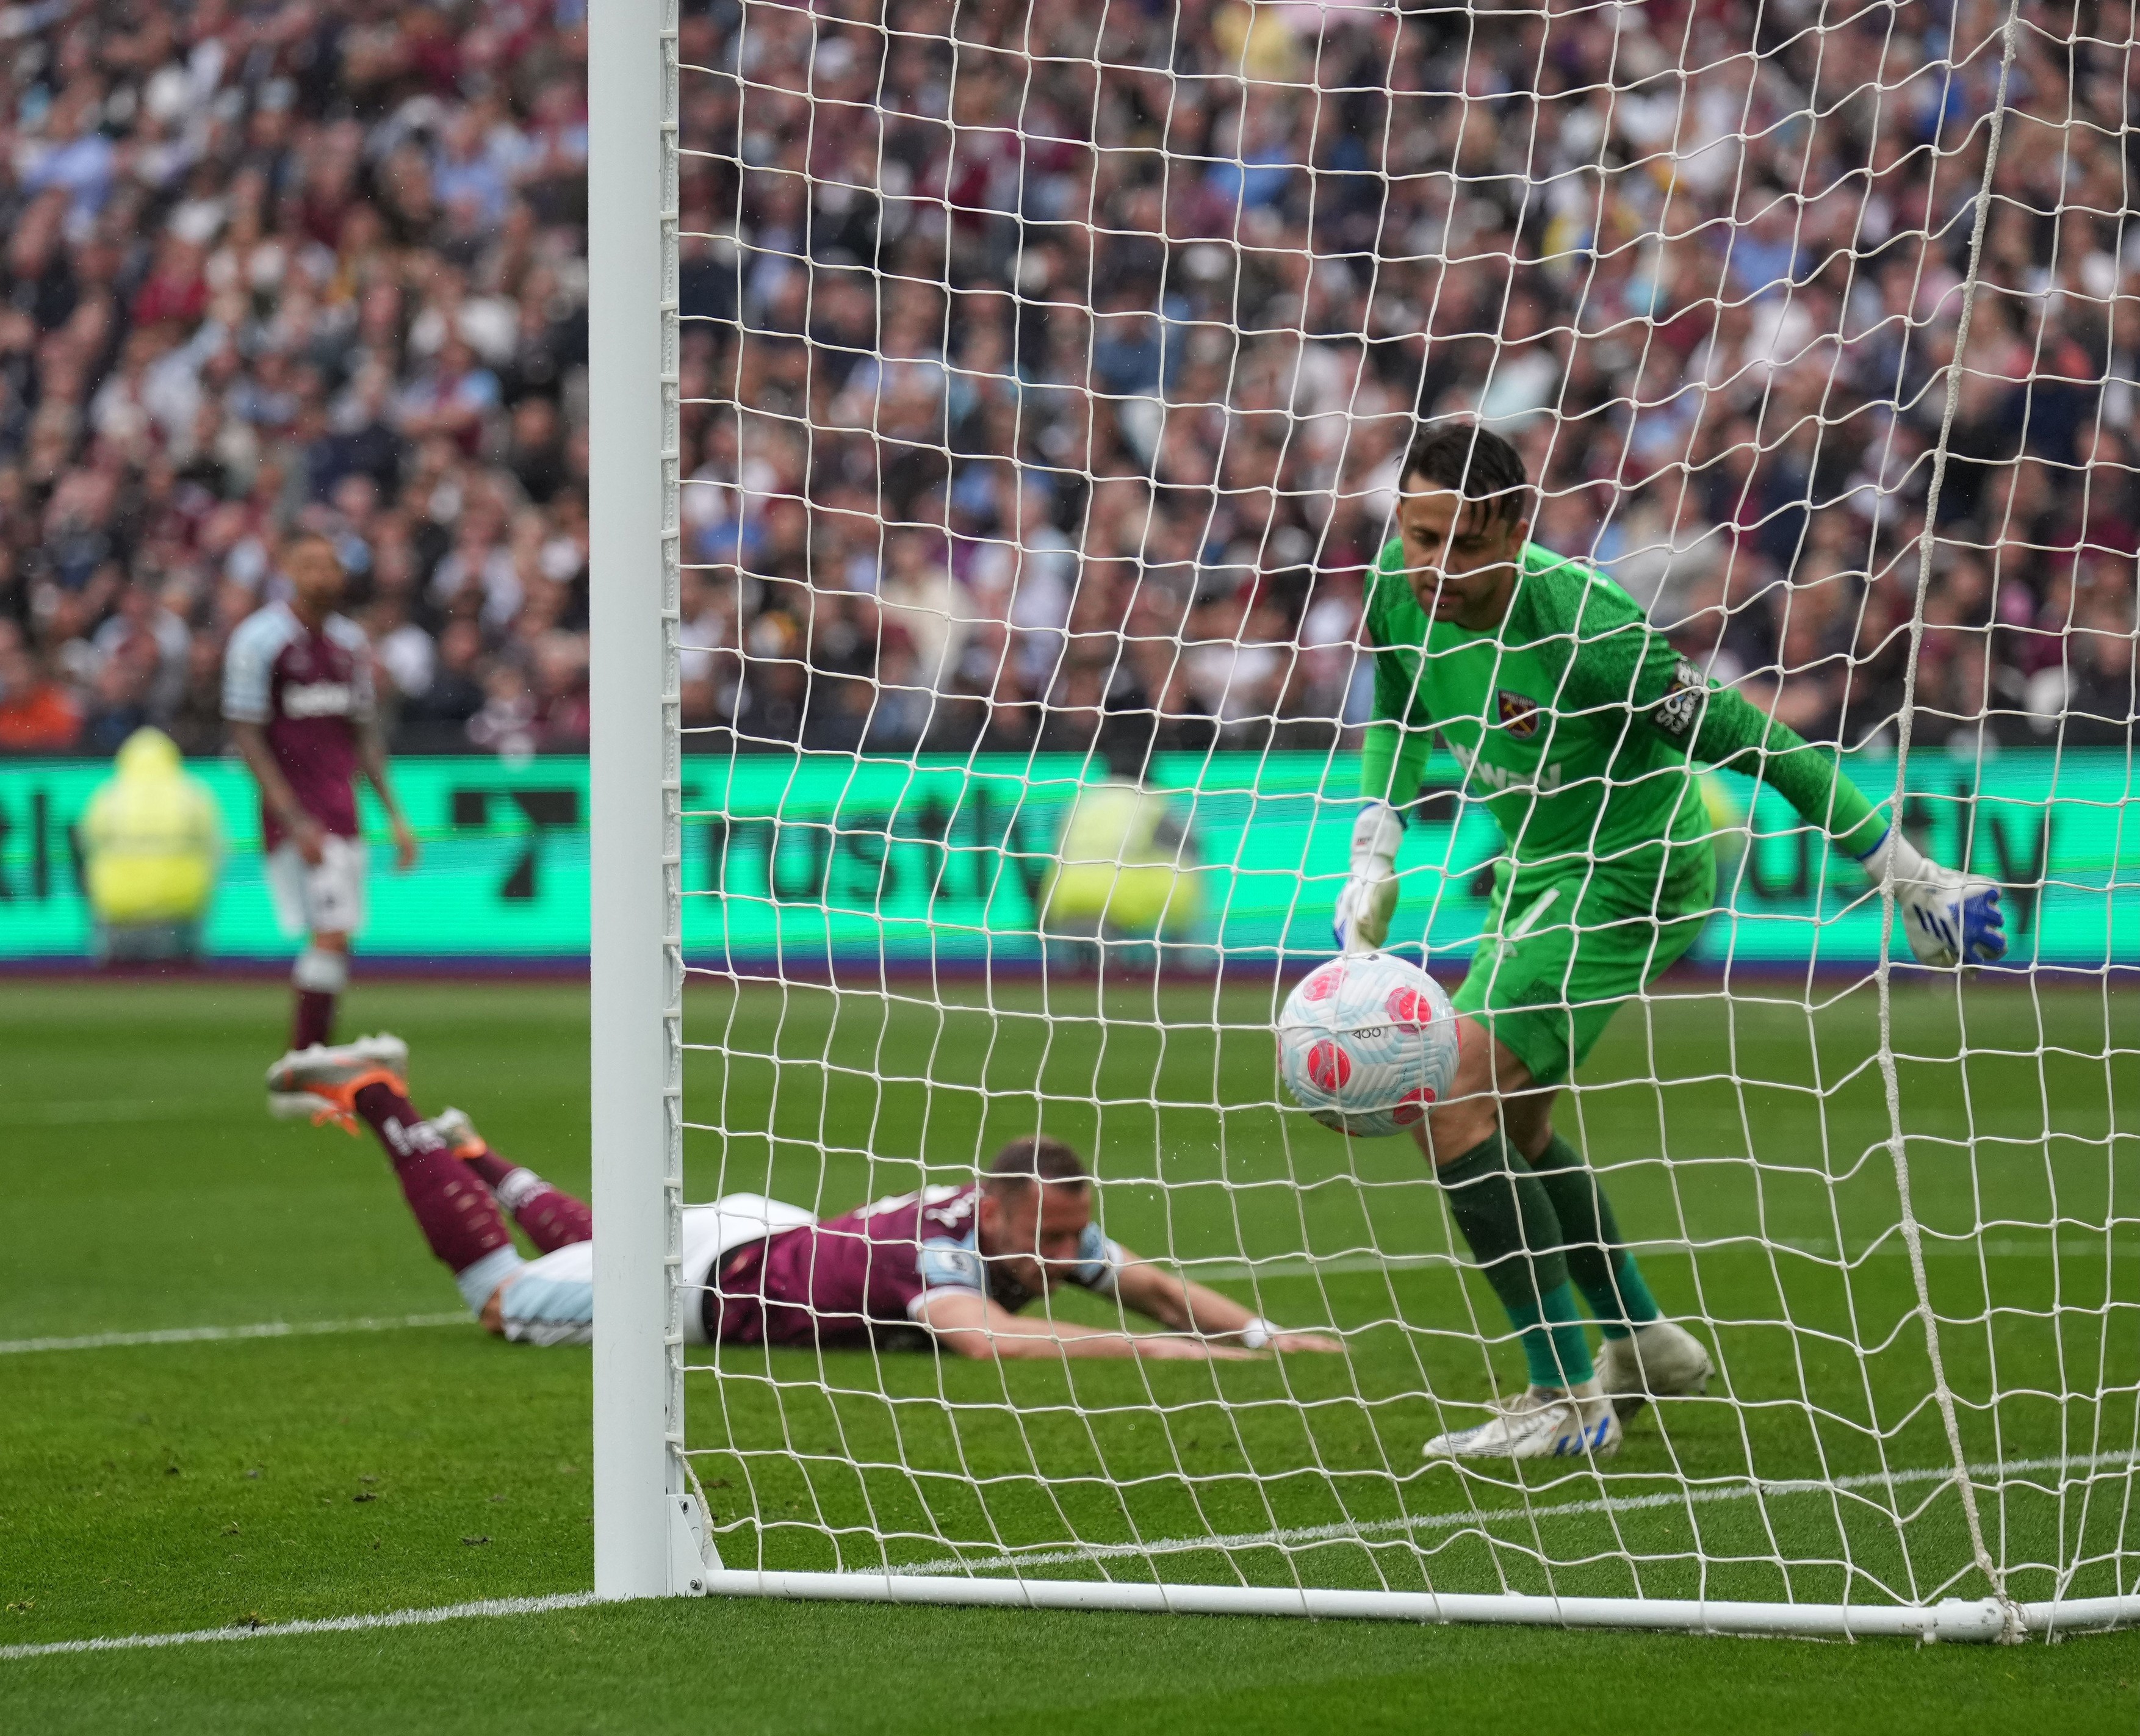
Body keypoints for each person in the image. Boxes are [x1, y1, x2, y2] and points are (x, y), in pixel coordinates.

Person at [1335, 422, 2005, 1463]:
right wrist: (1375, 838)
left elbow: (1760, 745)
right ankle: (1640, 1339)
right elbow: (1395, 699)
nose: (1433, 568)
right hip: (1534, 869)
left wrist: (1904, 873)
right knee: (1502, 1126)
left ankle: (1564, 1395)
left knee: (1447, 1090)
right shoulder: (1399, 579)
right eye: (1420, 538)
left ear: (1516, 529)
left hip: (1635, 871)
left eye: (1462, 546)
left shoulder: (1588, 627)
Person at [266, 1039, 1344, 1362]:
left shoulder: (1017, 1224)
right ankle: (386, 1100)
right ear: (1004, 1206)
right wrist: (1171, 1356)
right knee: (502, 1297)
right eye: (1056, 1236)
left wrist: (1258, 1332)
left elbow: (1146, 1282)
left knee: (598, 1239)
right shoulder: (941, 1261)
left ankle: (482, 1155)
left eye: (1074, 1234)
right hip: (705, 1281)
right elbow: (992, 1344)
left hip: (762, 1232)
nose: (1071, 1254)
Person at [223, 534, 419, 1055]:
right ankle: (305, 1062)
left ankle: (311, 1057)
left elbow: (364, 734)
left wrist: (396, 815)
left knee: (340, 935)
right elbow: (246, 733)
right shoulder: (259, 641)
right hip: (300, 814)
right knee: (332, 931)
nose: (322, 576)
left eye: (329, 566)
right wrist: (291, 816)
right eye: (309, 565)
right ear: (287, 569)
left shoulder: (350, 643)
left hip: (343, 810)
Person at [79, 726, 222, 962]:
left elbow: (88, 850)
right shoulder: (193, 794)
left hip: (120, 912)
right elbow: (217, 851)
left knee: (115, 987)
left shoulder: (109, 796)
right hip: (180, 910)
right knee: (186, 987)